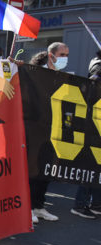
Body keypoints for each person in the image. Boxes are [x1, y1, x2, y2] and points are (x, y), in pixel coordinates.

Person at [27, 44, 68, 223]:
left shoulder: (60, 78)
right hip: (35, 131)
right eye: (62, 54)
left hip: (52, 131)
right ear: (51, 56)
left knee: (46, 170)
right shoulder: (33, 76)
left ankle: (39, 206)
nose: (65, 58)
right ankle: (28, 208)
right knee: (33, 170)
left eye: (67, 54)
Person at [70, 50, 101, 219]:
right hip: (94, 125)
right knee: (91, 167)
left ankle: (96, 204)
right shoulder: (98, 69)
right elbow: (92, 89)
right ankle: (80, 204)